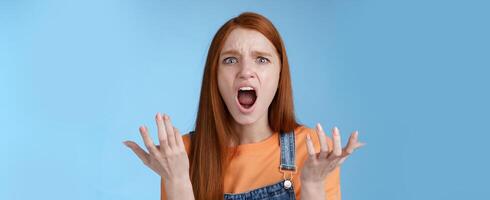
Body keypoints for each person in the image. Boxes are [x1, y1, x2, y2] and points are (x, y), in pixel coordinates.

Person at [123, 12, 365, 200]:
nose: (246, 72)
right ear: (214, 76)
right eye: (230, 60)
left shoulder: (315, 152)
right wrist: (177, 180)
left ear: (280, 74)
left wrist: (312, 185)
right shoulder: (180, 154)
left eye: (261, 59)